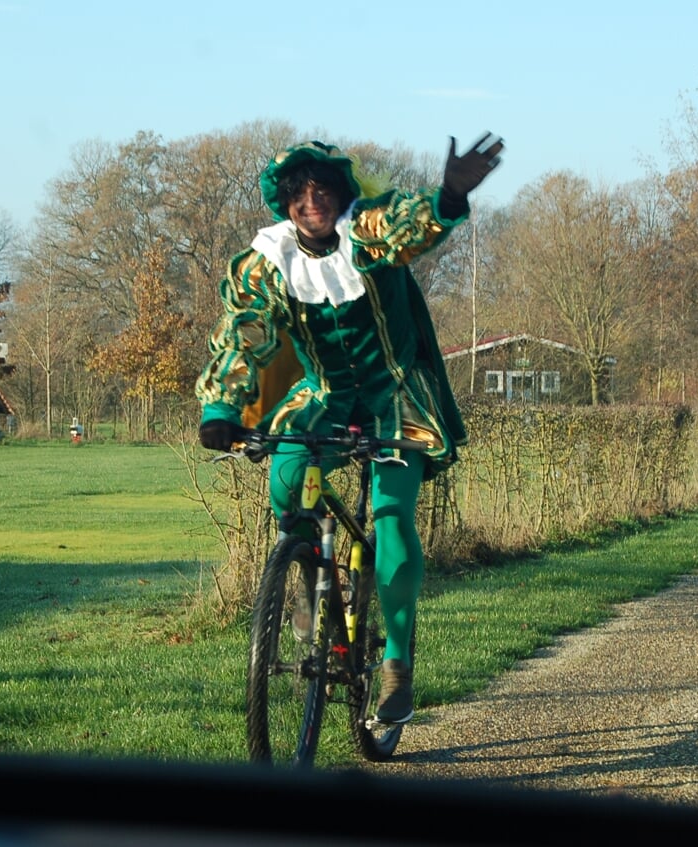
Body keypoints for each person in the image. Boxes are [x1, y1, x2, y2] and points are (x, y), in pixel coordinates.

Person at [197, 132, 504, 723]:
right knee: (287, 476)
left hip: (396, 394)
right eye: (299, 192)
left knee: (390, 520)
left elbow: (410, 225)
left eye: (324, 189)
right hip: (327, 394)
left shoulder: (367, 230)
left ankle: (394, 661)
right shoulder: (269, 260)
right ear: (284, 202)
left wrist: (447, 196)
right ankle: (308, 576)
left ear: (340, 194)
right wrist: (223, 410)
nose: (312, 200)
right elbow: (246, 331)